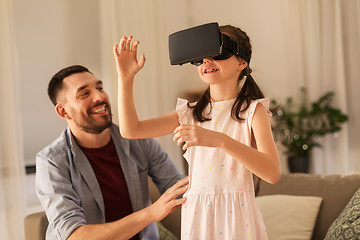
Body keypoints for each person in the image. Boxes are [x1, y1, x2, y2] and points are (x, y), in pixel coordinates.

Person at [114, 24, 281, 239]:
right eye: (200, 57)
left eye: (218, 53)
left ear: (241, 61)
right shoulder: (189, 113)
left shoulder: (253, 112)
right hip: (198, 215)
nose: (207, 61)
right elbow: (130, 130)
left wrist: (220, 140)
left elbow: (273, 172)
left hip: (237, 217)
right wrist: (126, 79)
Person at [36, 65, 188, 240]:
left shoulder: (139, 140)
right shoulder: (51, 162)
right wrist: (152, 213)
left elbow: (182, 190)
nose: (100, 97)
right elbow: (75, 236)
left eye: (100, 88)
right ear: (63, 111)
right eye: (84, 94)